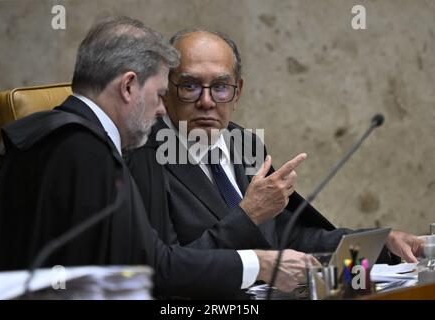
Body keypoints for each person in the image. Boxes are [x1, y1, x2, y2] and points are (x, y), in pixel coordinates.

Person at [0, 17, 310, 298]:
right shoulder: (86, 150)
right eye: (158, 95)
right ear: (128, 86)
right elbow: (153, 270)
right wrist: (259, 263)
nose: (160, 111)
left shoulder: (47, 134)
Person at [126, 29, 425, 264]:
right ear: (166, 90)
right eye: (190, 86)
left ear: (237, 92)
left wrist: (377, 242)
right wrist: (248, 215)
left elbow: (286, 236)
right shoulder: (142, 155)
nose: (207, 102)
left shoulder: (245, 143)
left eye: (220, 87)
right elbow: (165, 268)